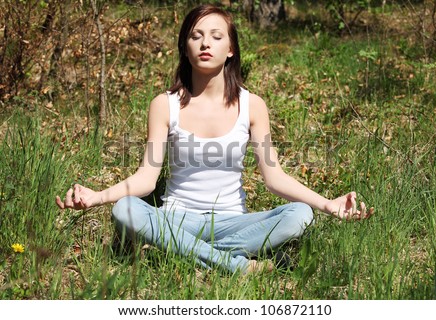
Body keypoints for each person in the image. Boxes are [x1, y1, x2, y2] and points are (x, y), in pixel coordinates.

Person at [56, 4, 373, 274]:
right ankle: (237, 265)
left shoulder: (253, 106)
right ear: (185, 46)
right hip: (177, 220)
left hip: (233, 223)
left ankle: (183, 251)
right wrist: (97, 197)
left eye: (216, 36)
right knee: (125, 209)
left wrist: (327, 205)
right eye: (196, 36)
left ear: (230, 48)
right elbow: (146, 179)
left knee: (300, 214)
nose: (205, 43)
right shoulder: (163, 105)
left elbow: (274, 178)